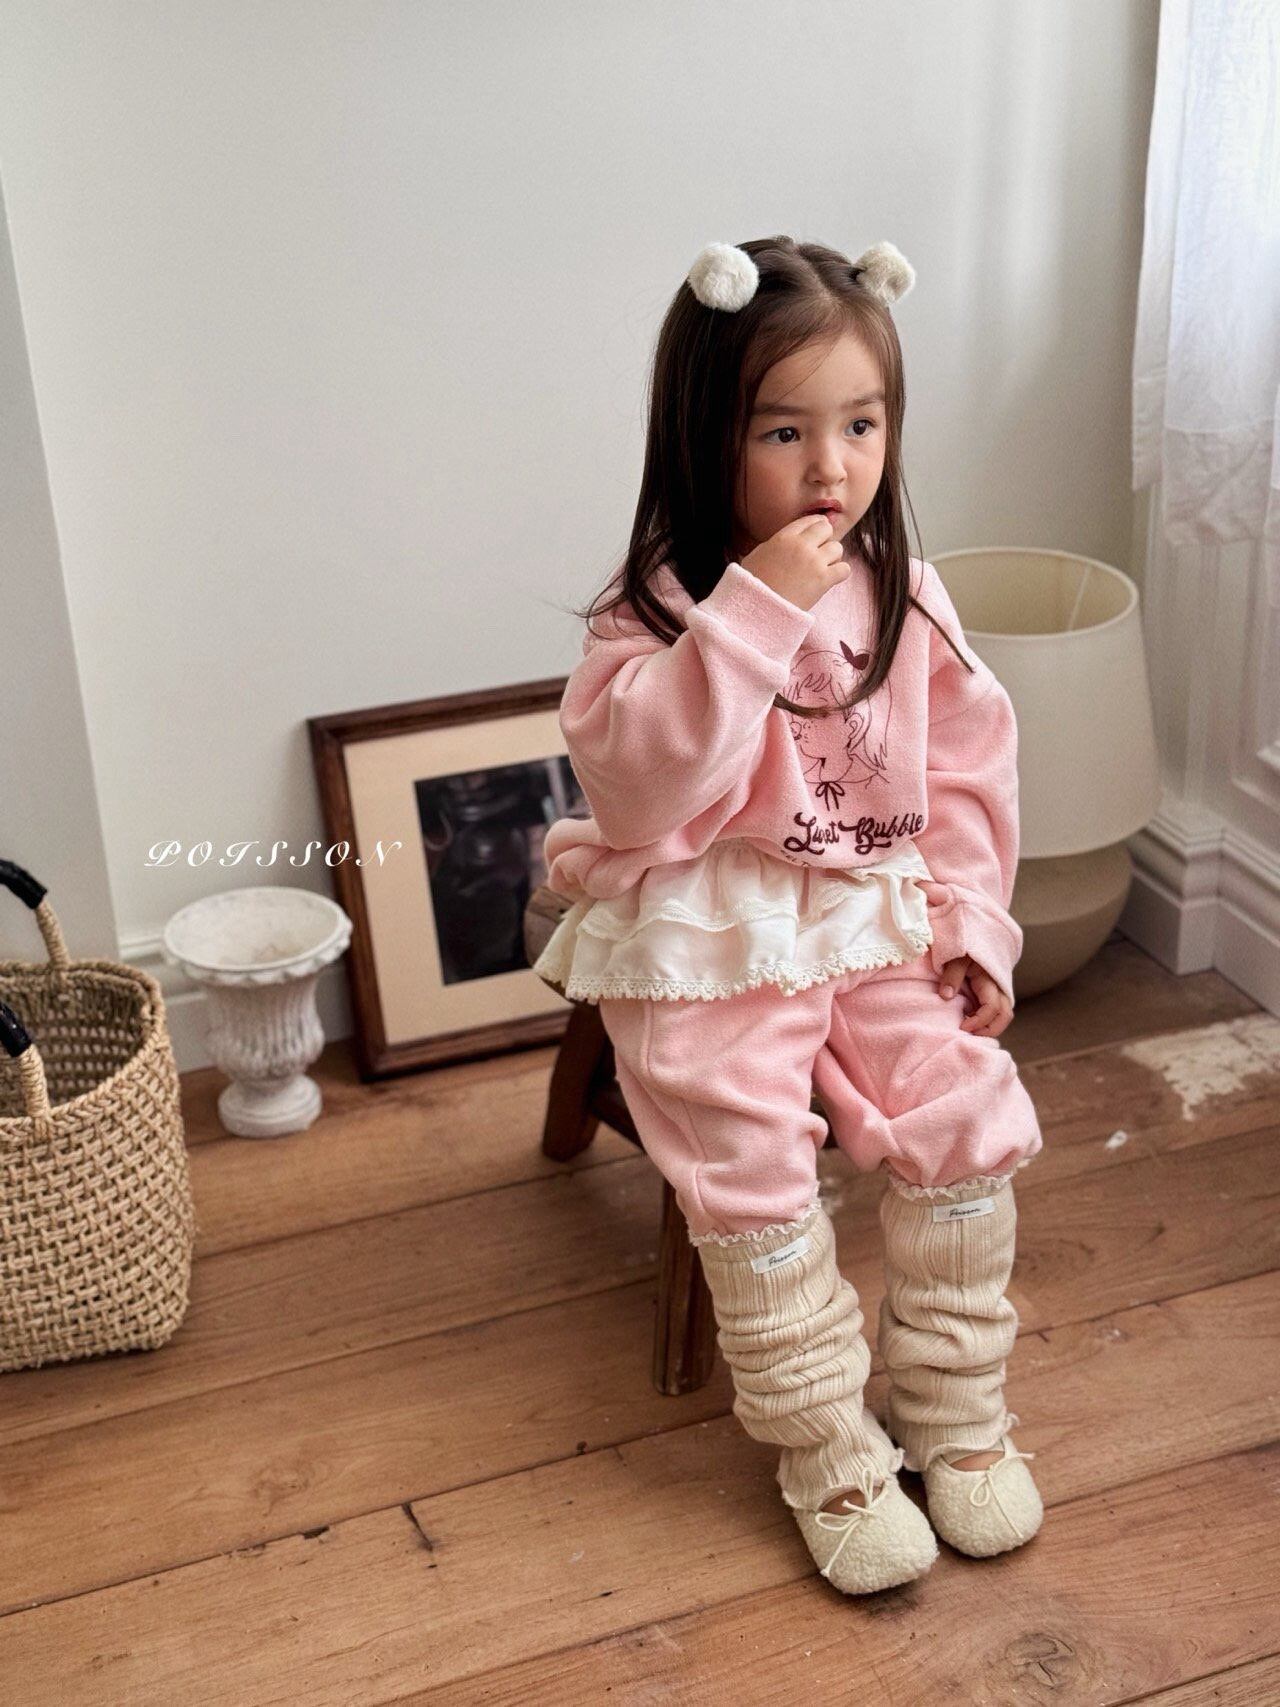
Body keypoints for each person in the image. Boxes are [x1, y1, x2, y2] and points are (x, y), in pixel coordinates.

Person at [535, 236, 1044, 1595]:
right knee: (746, 1150)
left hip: (872, 895)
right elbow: (640, 788)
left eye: (861, 426)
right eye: (785, 431)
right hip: (708, 916)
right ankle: (829, 1447)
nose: (832, 468)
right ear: (707, 435)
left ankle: (953, 1411)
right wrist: (755, 612)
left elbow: (967, 767)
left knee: (962, 1104)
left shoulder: (904, 589)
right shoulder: (656, 607)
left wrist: (972, 920)